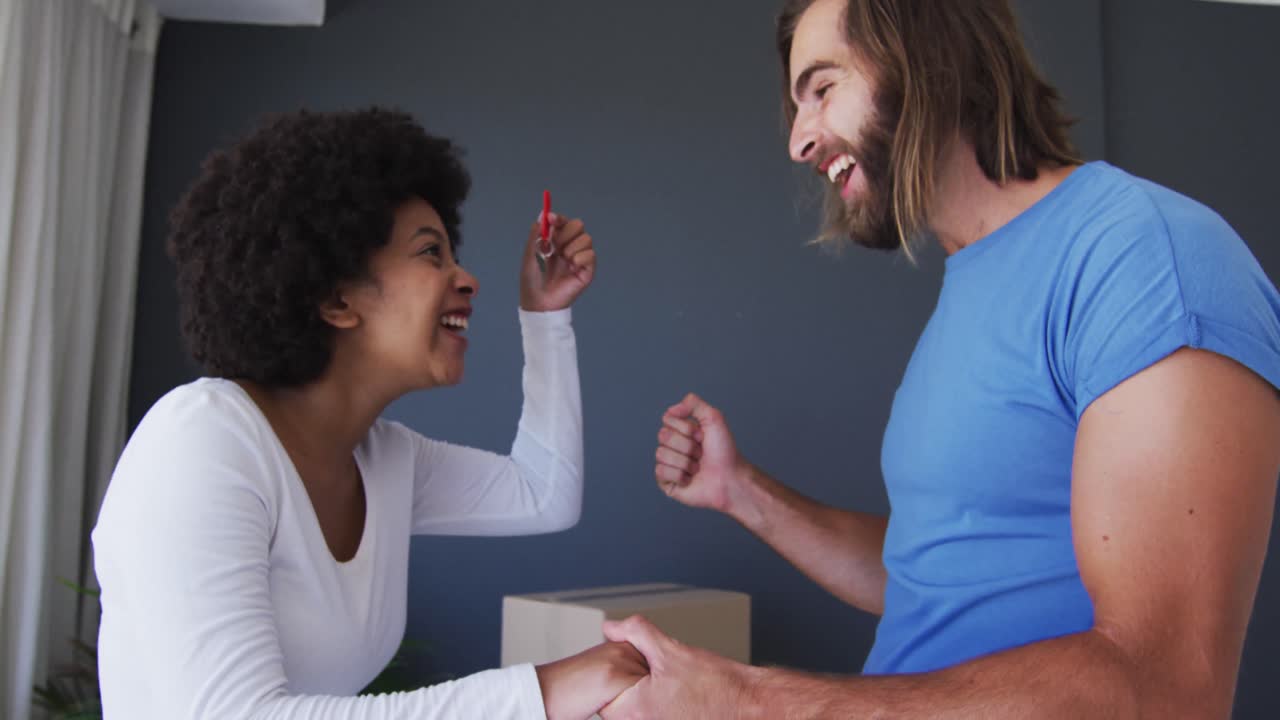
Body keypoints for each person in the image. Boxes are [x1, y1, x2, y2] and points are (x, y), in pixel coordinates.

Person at [602, 0, 1280, 717]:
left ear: (927, 57)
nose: (799, 140)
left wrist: (748, 700)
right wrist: (741, 491)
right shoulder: (972, 284)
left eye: (823, 88)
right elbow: (936, 576)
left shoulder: (1144, 258)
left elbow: (1169, 684)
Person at [91, 107, 645, 719]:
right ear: (336, 298)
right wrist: (539, 693)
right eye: (431, 253)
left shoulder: (383, 459)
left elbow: (545, 493)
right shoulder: (203, 441)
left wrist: (545, 316)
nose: (467, 278)